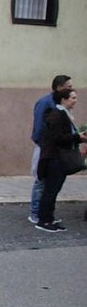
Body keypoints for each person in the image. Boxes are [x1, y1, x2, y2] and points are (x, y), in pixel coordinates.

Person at [36, 89, 87, 233]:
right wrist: (78, 138)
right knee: (50, 191)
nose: (75, 100)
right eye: (72, 98)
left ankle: (49, 218)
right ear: (63, 100)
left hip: (58, 158)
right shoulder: (57, 115)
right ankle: (44, 220)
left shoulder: (64, 114)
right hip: (54, 158)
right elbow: (57, 137)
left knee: (54, 190)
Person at [29, 74, 72, 224]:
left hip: (54, 149)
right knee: (40, 180)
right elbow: (40, 125)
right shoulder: (46, 102)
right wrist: (43, 144)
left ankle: (45, 214)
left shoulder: (59, 103)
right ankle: (35, 213)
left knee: (49, 183)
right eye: (68, 87)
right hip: (44, 147)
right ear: (59, 88)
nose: (71, 90)